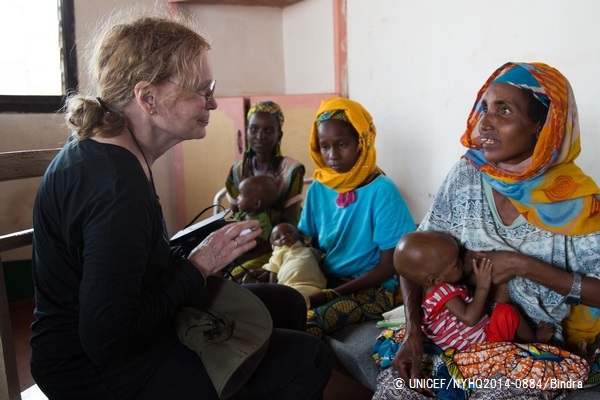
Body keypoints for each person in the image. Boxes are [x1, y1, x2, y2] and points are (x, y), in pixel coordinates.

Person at [30, 10, 331, 400]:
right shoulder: (117, 187)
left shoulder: (111, 153)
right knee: (309, 359)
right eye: (201, 90)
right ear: (148, 97)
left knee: (287, 303)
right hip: (92, 372)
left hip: (107, 346)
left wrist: (194, 253)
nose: (213, 103)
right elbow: (108, 339)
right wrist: (198, 266)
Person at [379, 62, 600, 399]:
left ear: (542, 126)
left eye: (504, 111)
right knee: (400, 386)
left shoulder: (579, 203)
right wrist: (413, 331)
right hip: (454, 329)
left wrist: (523, 266)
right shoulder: (466, 174)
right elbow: (414, 257)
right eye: (484, 108)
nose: (484, 124)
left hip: (526, 343)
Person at [298, 97, 416, 337]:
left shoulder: (381, 190)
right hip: (326, 278)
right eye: (325, 146)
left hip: (372, 289)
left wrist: (332, 294)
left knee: (305, 322)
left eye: (342, 144)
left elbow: (388, 266)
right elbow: (309, 242)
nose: (332, 155)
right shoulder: (319, 187)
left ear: (362, 142)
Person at [394, 231, 554, 351]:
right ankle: (535, 343)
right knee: (507, 311)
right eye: (456, 265)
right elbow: (469, 318)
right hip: (482, 347)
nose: (461, 266)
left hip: (464, 347)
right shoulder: (443, 290)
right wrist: (483, 285)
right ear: (434, 279)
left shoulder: (425, 293)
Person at [225, 101, 306, 272]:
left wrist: (272, 250)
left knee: (239, 273)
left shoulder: (292, 170)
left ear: (279, 135)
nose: (260, 136)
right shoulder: (237, 171)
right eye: (253, 129)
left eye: (268, 130)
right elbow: (234, 216)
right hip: (245, 243)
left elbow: (290, 219)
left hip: (281, 242)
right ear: (246, 132)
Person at [260, 223, 327, 308]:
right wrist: (273, 293)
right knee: (288, 302)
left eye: (289, 233)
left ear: (300, 236)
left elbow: (324, 259)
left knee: (302, 301)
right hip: (289, 287)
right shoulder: (278, 254)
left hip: (313, 287)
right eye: (278, 237)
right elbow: (273, 273)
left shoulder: (309, 250)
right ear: (273, 246)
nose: (284, 237)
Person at [229, 175, 278, 276]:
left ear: (256, 203)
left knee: (234, 273)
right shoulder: (241, 215)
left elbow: (256, 245)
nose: (237, 198)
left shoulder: (262, 222)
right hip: (234, 252)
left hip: (248, 256)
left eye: (241, 195)